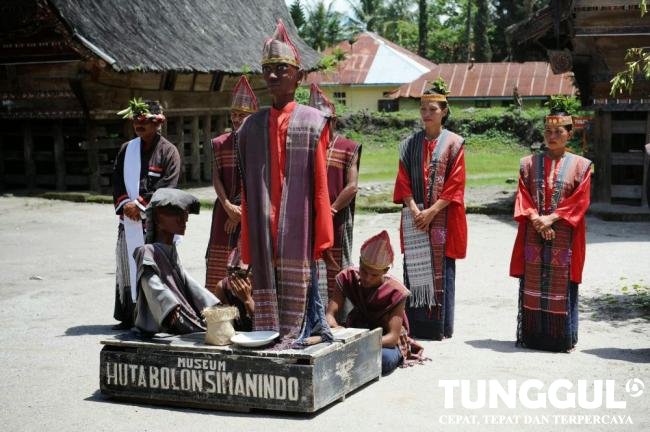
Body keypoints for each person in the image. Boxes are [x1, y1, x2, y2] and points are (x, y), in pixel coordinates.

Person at [236, 19, 335, 347]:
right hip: (265, 220)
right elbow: (248, 188)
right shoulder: (251, 126)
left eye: (281, 68)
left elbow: (321, 184)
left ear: (298, 75)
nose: (274, 75)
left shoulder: (311, 121)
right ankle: (268, 331)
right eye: (268, 69)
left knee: (299, 282)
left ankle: (303, 333)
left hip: (298, 223)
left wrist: (322, 229)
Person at [510, 110, 592, 352]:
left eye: (558, 132)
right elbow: (523, 195)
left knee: (563, 283)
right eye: (548, 131)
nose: (552, 136)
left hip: (565, 234)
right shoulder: (528, 164)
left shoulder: (582, 165)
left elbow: (580, 200)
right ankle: (533, 336)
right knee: (533, 282)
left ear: (569, 134)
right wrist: (537, 219)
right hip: (534, 231)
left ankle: (561, 337)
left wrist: (552, 219)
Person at [392, 78, 467, 341]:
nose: (426, 114)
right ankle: (417, 325)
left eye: (432, 109)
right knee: (413, 268)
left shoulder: (455, 144)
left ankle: (439, 327)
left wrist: (431, 211)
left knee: (441, 269)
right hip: (415, 216)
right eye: (423, 109)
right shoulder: (408, 144)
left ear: (444, 111)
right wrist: (414, 209)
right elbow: (402, 182)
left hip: (441, 217)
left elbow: (456, 183)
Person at [112, 99, 181, 330]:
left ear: (157, 123)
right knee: (127, 266)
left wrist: (140, 206)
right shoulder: (126, 149)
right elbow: (116, 181)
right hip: (129, 219)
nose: (138, 125)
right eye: (136, 120)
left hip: (155, 222)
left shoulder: (169, 151)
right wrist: (126, 206)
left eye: (145, 121)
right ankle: (129, 315)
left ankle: (159, 317)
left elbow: (167, 186)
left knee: (156, 269)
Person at [326, 231, 423, 375]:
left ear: (385, 270)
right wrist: (336, 329)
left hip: (381, 341)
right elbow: (330, 314)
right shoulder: (347, 277)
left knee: (384, 360)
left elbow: (392, 337)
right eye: (364, 271)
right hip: (355, 332)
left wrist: (360, 344)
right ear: (359, 262)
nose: (367, 278)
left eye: (374, 275)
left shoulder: (397, 292)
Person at [134, 188, 220, 335]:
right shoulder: (147, 251)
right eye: (175, 213)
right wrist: (168, 305)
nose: (184, 219)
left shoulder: (171, 251)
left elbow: (187, 281)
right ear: (156, 218)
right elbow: (150, 282)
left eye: (185, 214)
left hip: (185, 310)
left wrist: (210, 304)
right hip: (171, 316)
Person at [308, 83, 361, 315]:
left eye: (324, 121)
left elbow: (352, 186)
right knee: (310, 266)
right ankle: (312, 314)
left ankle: (341, 316)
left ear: (333, 121)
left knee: (339, 265)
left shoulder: (348, 147)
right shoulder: (303, 149)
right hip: (309, 219)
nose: (320, 126)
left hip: (337, 218)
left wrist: (329, 211)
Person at [205, 76, 258, 294]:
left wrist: (242, 212)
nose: (236, 119)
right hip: (223, 211)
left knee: (247, 261)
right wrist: (227, 206)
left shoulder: (261, 145)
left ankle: (247, 309)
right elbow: (216, 177)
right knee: (217, 258)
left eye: (242, 115)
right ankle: (216, 309)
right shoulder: (219, 144)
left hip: (251, 211)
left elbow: (260, 180)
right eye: (234, 114)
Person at [213, 248, 254, 331]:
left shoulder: (262, 290)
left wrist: (247, 300)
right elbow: (218, 329)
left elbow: (264, 325)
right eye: (230, 271)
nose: (233, 278)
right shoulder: (223, 288)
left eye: (240, 274)